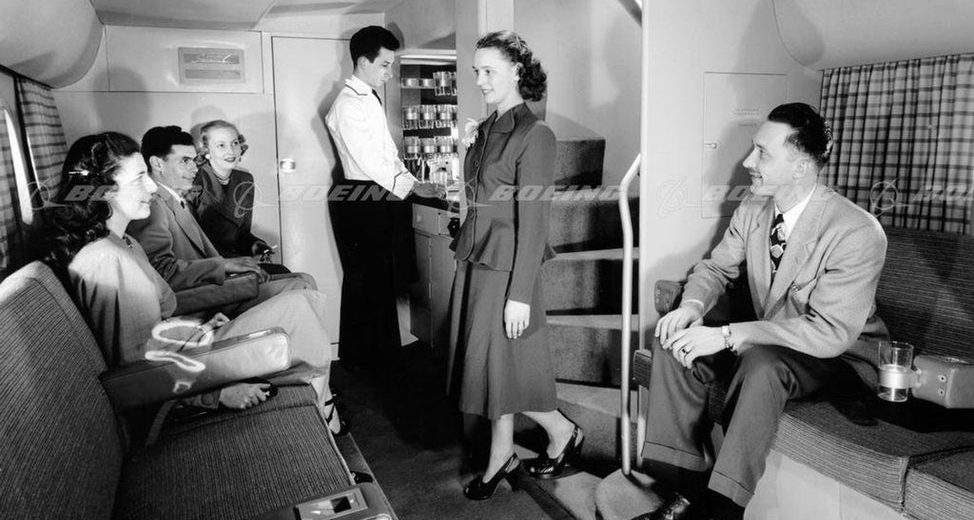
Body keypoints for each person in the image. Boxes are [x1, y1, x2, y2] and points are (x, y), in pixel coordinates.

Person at [633, 103, 888, 520]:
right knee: (672, 344)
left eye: (762, 153)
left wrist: (727, 335)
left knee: (762, 364)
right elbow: (716, 268)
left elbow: (829, 333)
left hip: (839, 357)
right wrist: (692, 307)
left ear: (800, 167)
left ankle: (723, 509)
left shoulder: (856, 230)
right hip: (772, 341)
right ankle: (686, 490)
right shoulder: (754, 208)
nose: (748, 162)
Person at [44, 132, 344, 433]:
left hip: (186, 347)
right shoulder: (107, 259)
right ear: (104, 190)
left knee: (300, 301)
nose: (152, 186)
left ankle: (322, 412)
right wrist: (216, 394)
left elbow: (153, 329)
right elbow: (135, 369)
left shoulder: (124, 243)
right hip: (181, 373)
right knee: (298, 310)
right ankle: (325, 417)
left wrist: (200, 328)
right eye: (139, 179)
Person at [447, 31, 582, 501]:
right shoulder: (485, 129)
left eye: (490, 71)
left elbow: (535, 221)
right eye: (477, 71)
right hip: (477, 257)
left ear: (517, 72)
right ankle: (504, 452)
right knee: (494, 366)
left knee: (498, 365)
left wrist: (520, 293)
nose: (480, 80)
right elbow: (477, 196)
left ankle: (560, 430)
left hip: (507, 266)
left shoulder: (535, 134)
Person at [325, 25, 444, 368]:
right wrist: (412, 187)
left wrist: (412, 181)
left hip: (375, 195)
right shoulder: (348, 104)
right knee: (369, 281)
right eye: (385, 65)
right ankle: (371, 364)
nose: (390, 73)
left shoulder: (369, 98)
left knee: (380, 280)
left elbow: (388, 153)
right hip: (362, 197)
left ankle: (378, 359)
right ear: (363, 62)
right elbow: (370, 161)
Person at [128, 125, 314, 317]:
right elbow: (161, 271)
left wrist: (237, 266)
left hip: (210, 286)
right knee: (299, 286)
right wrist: (224, 265)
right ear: (157, 164)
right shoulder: (152, 206)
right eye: (184, 161)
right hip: (198, 301)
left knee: (304, 280)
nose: (194, 168)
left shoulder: (173, 200)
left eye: (193, 160)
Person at [189, 119, 288, 274]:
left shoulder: (245, 180)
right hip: (209, 266)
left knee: (284, 273)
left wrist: (256, 245)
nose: (231, 151)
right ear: (206, 151)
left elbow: (242, 233)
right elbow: (190, 240)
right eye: (221, 145)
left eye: (234, 143)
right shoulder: (193, 180)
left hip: (238, 260)